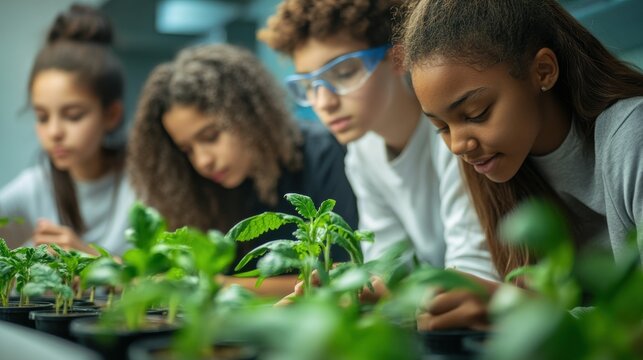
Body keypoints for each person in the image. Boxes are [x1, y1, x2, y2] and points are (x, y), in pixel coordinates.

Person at [400, 0, 643, 329]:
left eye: (476, 113)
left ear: (543, 71)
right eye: (441, 127)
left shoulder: (633, 135)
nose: (458, 145)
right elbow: (474, 281)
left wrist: (521, 312)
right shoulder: (491, 164)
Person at [258, 0, 499, 292]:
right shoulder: (362, 152)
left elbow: (473, 275)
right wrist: (357, 286)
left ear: (398, 59)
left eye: (344, 73)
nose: (324, 103)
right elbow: (388, 263)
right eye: (310, 85)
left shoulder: (452, 135)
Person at [127, 43, 357, 297]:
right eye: (187, 150)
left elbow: (347, 274)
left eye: (211, 136)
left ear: (247, 113)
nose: (203, 161)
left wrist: (213, 287)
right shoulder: (207, 190)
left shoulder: (326, 154)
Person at [0, 4, 135, 256]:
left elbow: (173, 281)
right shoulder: (34, 187)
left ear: (112, 114)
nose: (54, 132)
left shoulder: (141, 186)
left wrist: (89, 259)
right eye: (42, 117)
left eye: (73, 116)